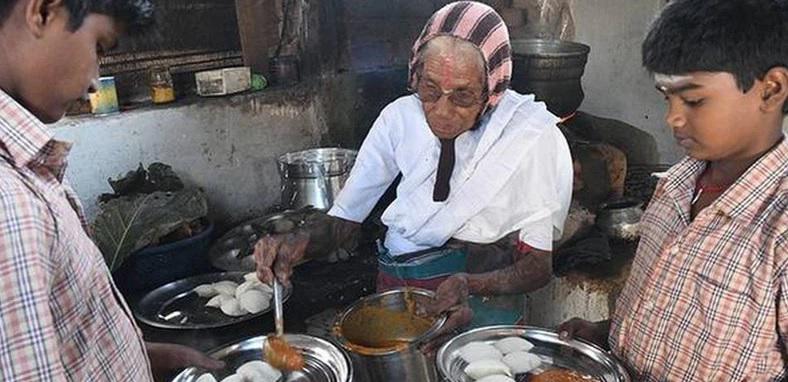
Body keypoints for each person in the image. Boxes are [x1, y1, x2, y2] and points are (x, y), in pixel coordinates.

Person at [255, 1, 573, 336]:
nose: (442, 111)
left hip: (484, 311)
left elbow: (538, 268)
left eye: (463, 97)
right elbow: (342, 224)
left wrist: (470, 284)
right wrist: (296, 242)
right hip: (400, 292)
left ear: (492, 91)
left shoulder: (528, 138)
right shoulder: (398, 120)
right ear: (414, 75)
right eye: (429, 90)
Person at [558, 0, 788, 380]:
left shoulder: (778, 229)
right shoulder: (676, 186)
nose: (672, 118)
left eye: (694, 100)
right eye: (667, 98)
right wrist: (610, 333)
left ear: (771, 90)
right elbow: (676, 306)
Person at [0, 0, 224, 380]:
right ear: (43, 12)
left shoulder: (27, 168)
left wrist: (136, 353)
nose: (92, 83)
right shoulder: (10, 200)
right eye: (99, 47)